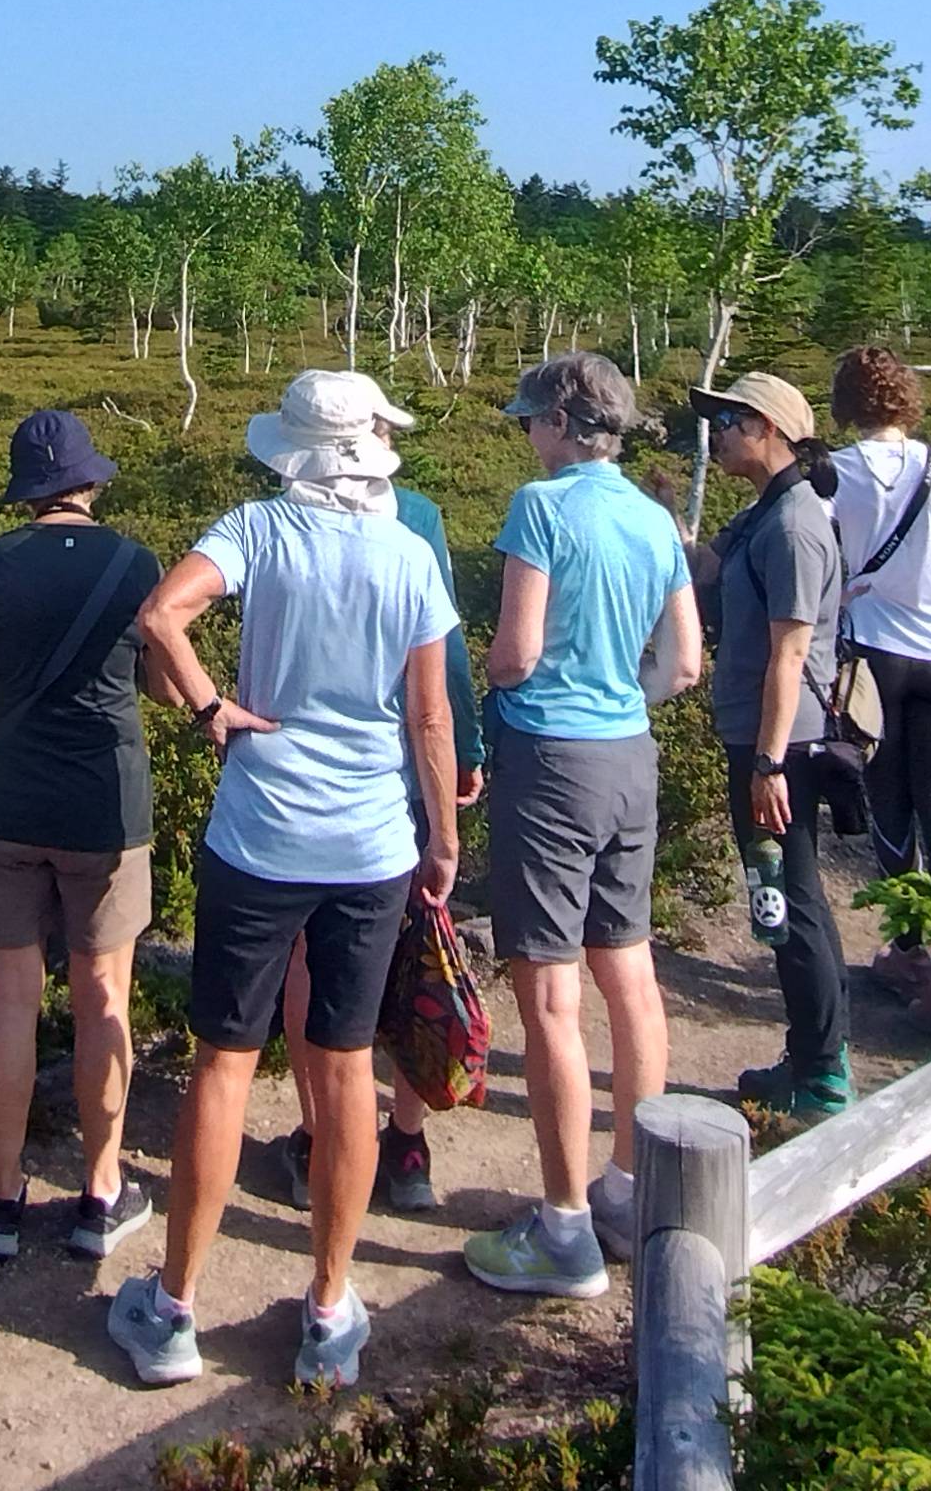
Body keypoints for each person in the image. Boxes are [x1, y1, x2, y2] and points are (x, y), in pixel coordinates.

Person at [107, 370, 460, 1395]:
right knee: (346, 1067)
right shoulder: (409, 556)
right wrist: (440, 838)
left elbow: (160, 614)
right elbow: (430, 718)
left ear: (292, 451)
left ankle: (172, 1311)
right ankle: (327, 1308)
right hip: (370, 847)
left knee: (224, 1063)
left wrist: (212, 710)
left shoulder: (257, 530)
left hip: (258, 835)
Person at [463, 351, 697, 1298]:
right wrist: (617, 703)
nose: (526, 434)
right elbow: (684, 661)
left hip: (548, 763)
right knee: (630, 973)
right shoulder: (653, 517)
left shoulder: (541, 507)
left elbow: (516, 654)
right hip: (629, 759)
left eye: (531, 419)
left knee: (551, 997)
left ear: (562, 422)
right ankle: (632, 1190)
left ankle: (562, 1230)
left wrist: (487, 682)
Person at [0, 409, 165, 1266]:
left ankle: (0, 1195)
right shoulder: (135, 563)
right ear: (90, 482)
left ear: (26, 488)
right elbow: (170, 687)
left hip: (9, 802)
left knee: (11, 994)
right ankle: (101, 1192)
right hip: (106, 806)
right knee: (105, 994)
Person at [274, 427, 487, 1217]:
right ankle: (404, 1140)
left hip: (306, 776)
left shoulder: (280, 518)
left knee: (308, 956)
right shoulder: (421, 516)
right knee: (412, 946)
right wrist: (465, 750)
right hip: (401, 770)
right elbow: (448, 657)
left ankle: (318, 1134)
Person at [696, 368, 856, 1123]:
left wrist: (767, 763)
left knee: (788, 897)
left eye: (728, 421)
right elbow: (706, 575)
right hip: (765, 741)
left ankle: (823, 1071)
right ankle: (813, 1054)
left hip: (780, 750)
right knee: (788, 896)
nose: (718, 433)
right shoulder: (769, 512)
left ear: (767, 427)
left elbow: (791, 653)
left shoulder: (793, 525)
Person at [825, 345, 931, 1036]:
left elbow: (830, 572)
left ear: (846, 404)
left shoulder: (834, 475)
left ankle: (908, 947)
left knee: (891, 805)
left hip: (877, 659)